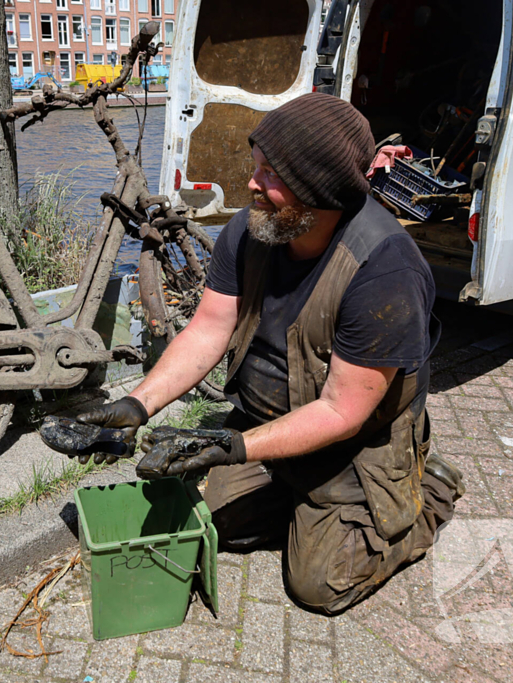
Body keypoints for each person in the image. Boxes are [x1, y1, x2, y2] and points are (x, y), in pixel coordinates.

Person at [74, 93, 465, 615]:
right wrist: (136, 404)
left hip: (352, 446)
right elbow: (209, 329)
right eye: (256, 166)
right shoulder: (254, 228)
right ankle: (303, 502)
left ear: (321, 188)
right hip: (270, 423)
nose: (252, 184)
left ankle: (425, 490)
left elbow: (341, 412)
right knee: (219, 525)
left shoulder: (385, 270)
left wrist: (232, 447)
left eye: (272, 174)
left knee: (318, 585)